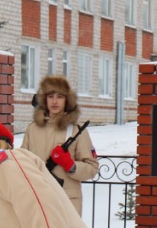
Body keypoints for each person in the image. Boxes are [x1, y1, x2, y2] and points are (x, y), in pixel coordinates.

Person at [20, 75, 98, 214]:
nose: (54, 101)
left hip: (67, 202)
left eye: (60, 97)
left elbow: (92, 168)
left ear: (67, 100)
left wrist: (71, 165)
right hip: (39, 201)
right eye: (50, 96)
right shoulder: (32, 129)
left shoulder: (76, 131)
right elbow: (22, 164)